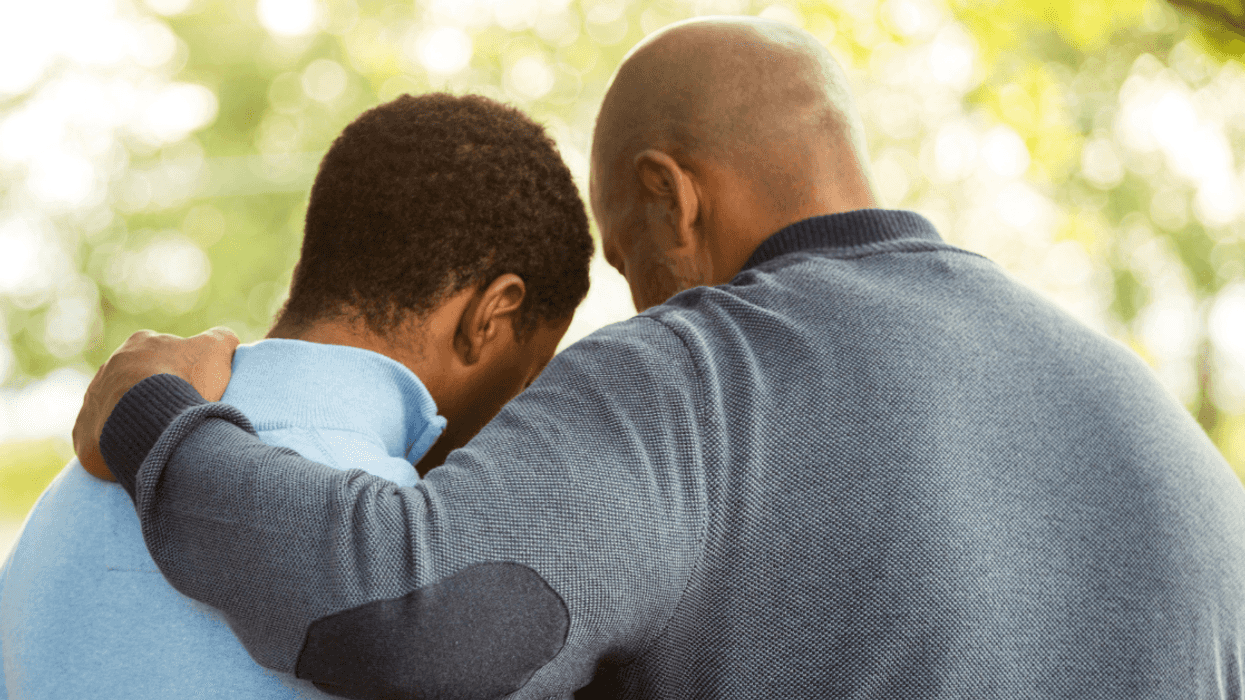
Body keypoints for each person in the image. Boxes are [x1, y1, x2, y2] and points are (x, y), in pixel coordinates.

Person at [74, 16, 1245, 700]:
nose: (637, 308)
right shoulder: (1161, 428)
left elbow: (404, 609)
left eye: (630, 266)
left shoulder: (699, 377)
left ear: (666, 196)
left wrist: (157, 425)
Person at [0, 92, 591, 699]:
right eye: (529, 373)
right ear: (491, 315)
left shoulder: (68, 496)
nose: (518, 403)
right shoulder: (415, 578)